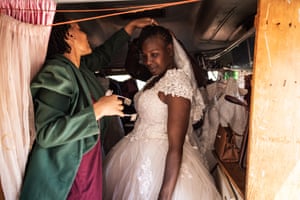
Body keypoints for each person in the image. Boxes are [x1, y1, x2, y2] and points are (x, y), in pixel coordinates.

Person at [19, 13, 156, 200]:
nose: (86, 35)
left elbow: (104, 54)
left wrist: (130, 27)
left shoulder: (78, 68)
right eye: (79, 28)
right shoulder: (57, 72)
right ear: (69, 35)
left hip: (88, 164)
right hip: (70, 174)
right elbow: (47, 133)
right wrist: (98, 110)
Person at [103, 25, 221, 200]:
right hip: (136, 154)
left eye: (154, 54)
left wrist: (165, 194)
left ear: (170, 50)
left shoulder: (177, 82)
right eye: (145, 56)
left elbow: (176, 146)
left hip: (162, 160)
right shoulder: (155, 79)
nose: (148, 61)